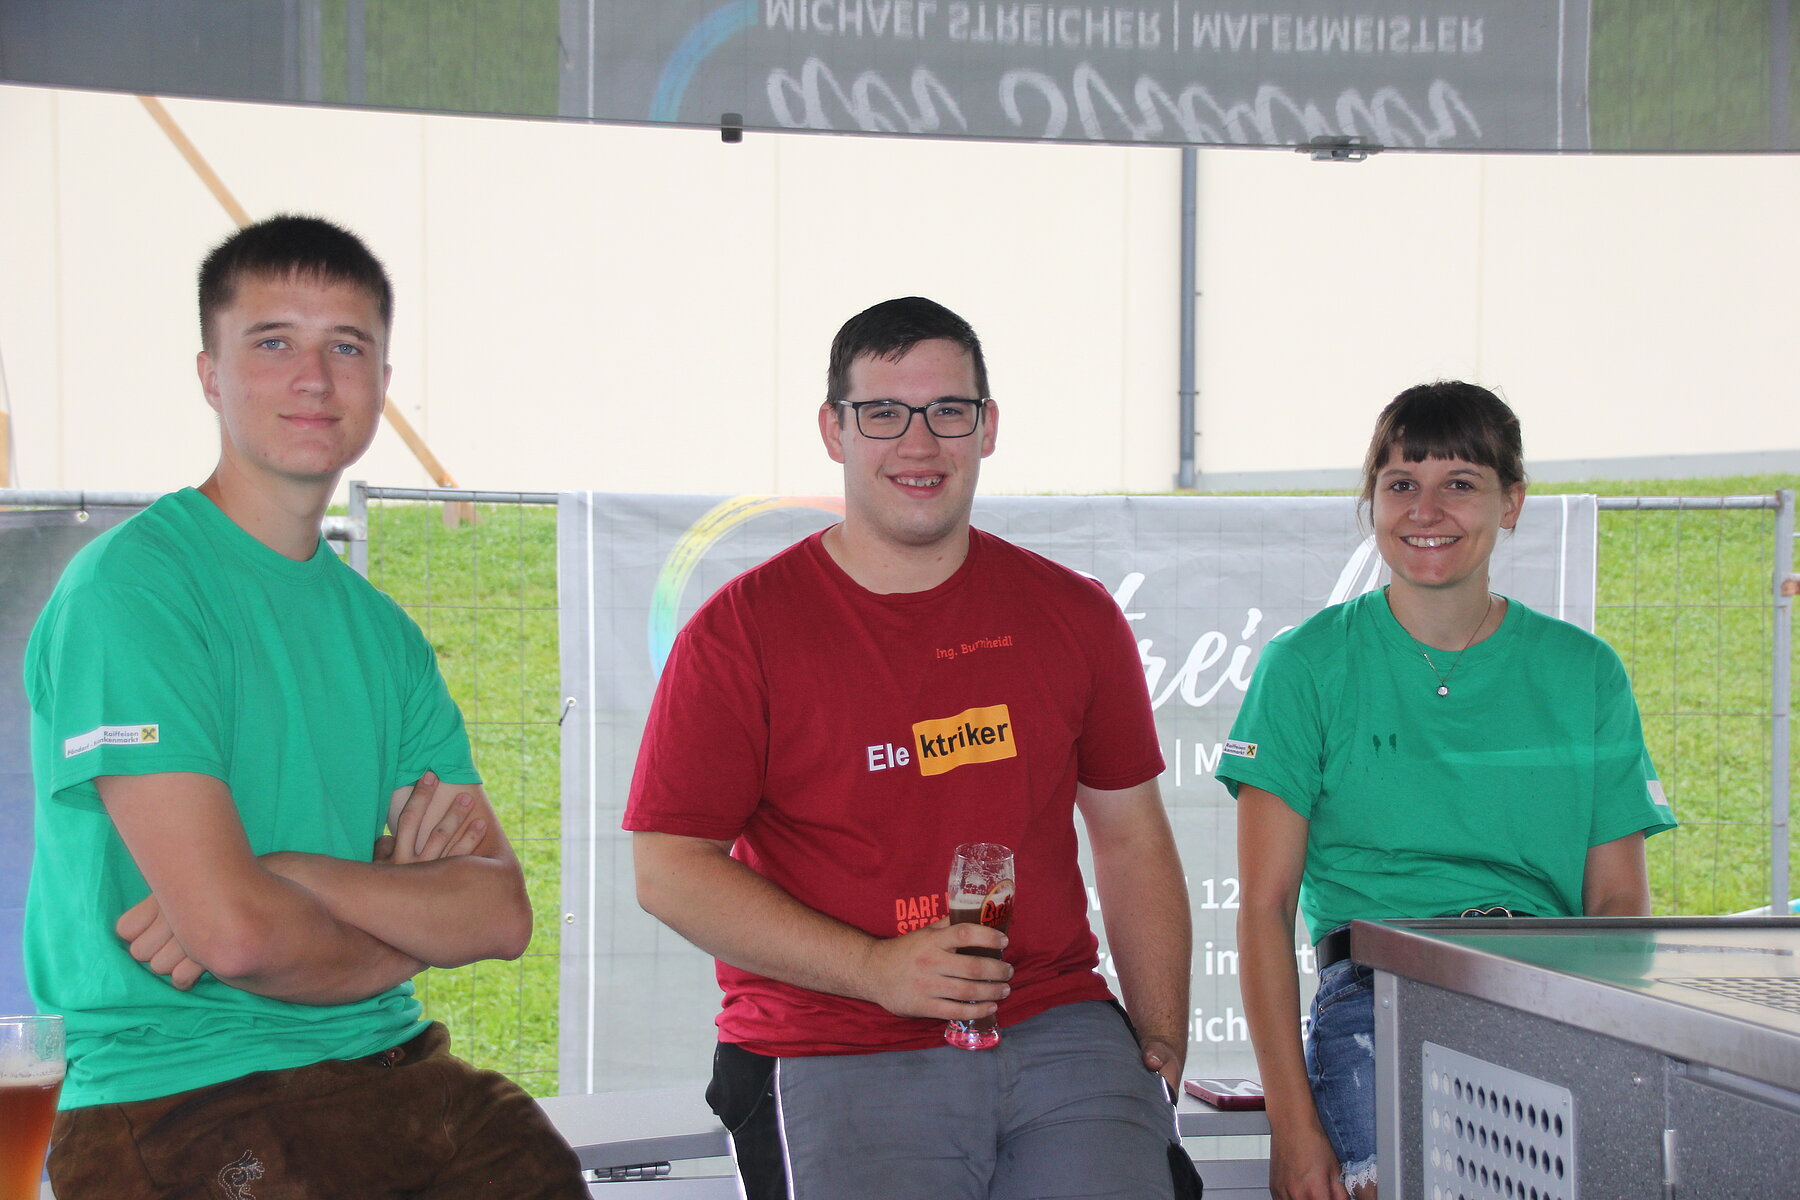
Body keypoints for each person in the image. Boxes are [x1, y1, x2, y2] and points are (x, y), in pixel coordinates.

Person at [22, 214, 587, 1198]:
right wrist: (397, 910)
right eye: (274, 342)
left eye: (347, 347)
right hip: (181, 1095)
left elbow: (498, 913)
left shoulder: (384, 635)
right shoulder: (133, 592)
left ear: (382, 380)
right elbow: (237, 936)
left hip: (398, 1071)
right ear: (210, 375)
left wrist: (284, 872)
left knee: (536, 1161)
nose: (315, 379)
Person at [625, 296, 1197, 1200]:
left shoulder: (1073, 613)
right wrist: (873, 969)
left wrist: (1159, 1036)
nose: (919, 444)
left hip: (1055, 1023)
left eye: (948, 411)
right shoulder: (743, 633)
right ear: (834, 430)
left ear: (988, 426)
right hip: (831, 1040)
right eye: (884, 413)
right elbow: (668, 870)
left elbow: (1131, 835)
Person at [1220, 381, 1677, 1200]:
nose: (1425, 511)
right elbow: (1264, 907)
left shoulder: (1586, 673)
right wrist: (1294, 1125)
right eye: (1402, 483)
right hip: (1375, 995)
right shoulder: (1305, 665)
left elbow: (1617, 908)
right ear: (1372, 501)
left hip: (1548, 991)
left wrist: (1606, 1058)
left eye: (1460, 483)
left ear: (1513, 503)